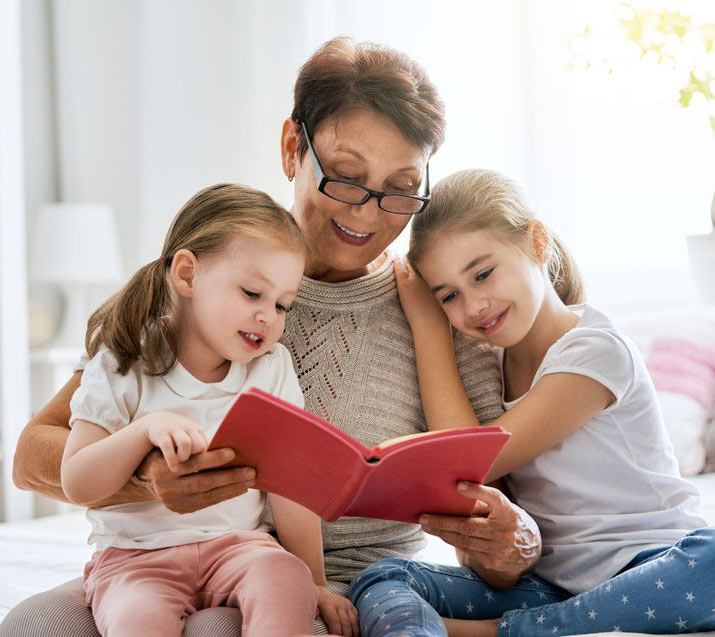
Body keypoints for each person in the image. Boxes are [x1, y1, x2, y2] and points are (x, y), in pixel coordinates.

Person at [6, 39, 540, 637]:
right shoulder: (217, 280)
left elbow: (495, 536)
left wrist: (507, 545)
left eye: (400, 187)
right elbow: (31, 459)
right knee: (30, 623)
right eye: (344, 177)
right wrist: (150, 476)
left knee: (221, 627)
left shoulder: (441, 306)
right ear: (293, 148)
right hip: (164, 554)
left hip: (344, 585)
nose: (367, 213)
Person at [348, 168, 714, 637]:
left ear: (537, 243)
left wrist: (430, 327)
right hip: (553, 585)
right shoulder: (488, 366)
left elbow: (478, 458)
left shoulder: (595, 350)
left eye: (483, 274)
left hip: (657, 566)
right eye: (448, 296)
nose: (474, 306)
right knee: (383, 576)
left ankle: (494, 632)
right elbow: (475, 499)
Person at [62, 182, 358, 636]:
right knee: (136, 618)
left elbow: (289, 489)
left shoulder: (271, 368)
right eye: (252, 294)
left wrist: (315, 580)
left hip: (239, 547)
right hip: (136, 558)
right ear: (187, 275)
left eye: (282, 305)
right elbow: (78, 481)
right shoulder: (122, 361)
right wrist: (146, 431)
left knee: (285, 578)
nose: (269, 317)